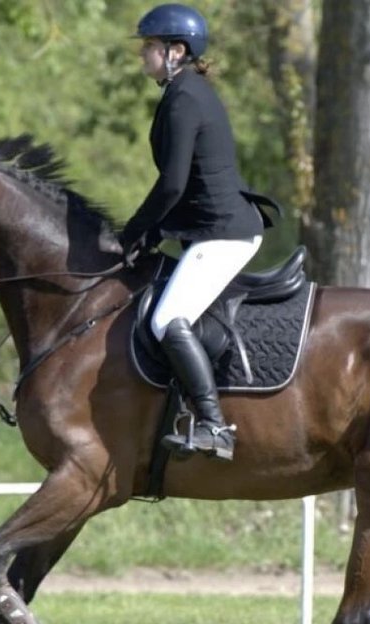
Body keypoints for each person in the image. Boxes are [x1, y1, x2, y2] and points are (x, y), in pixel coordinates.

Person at [118, 4, 270, 462]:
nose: (143, 54)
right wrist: (150, 233)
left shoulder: (185, 97)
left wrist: (136, 232)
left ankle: (214, 426)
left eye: (150, 46)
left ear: (175, 51)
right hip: (208, 230)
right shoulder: (183, 91)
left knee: (167, 320)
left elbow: (173, 184)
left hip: (224, 233)